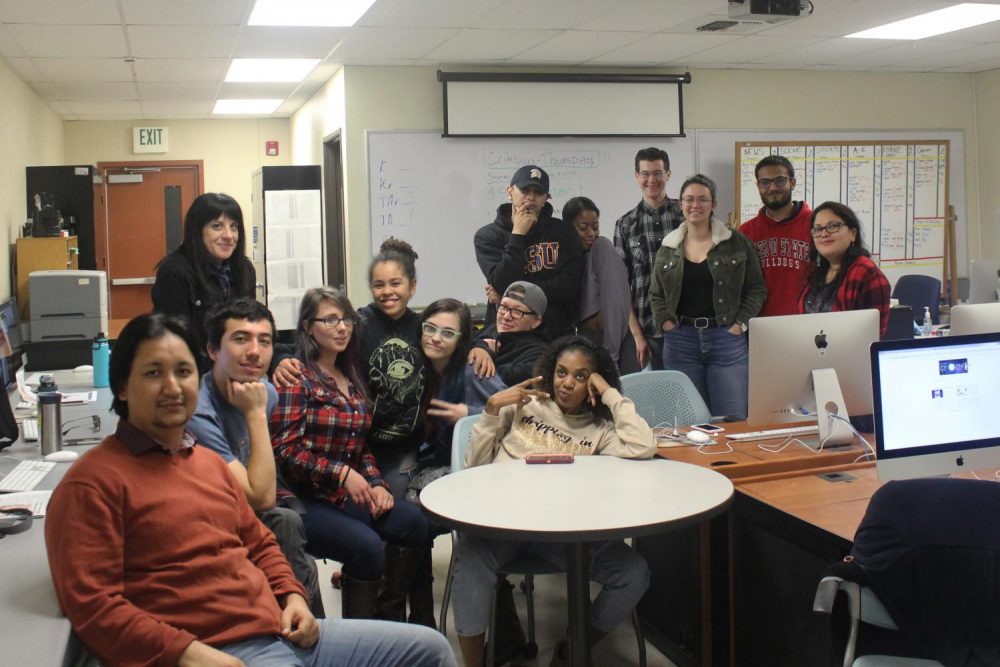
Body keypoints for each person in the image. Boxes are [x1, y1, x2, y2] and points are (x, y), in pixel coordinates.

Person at [44, 313, 455, 667]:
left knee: (430, 650)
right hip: (218, 652)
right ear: (121, 387)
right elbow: (92, 606)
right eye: (153, 373)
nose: (172, 387)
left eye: (183, 372)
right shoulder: (91, 484)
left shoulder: (205, 462)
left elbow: (259, 542)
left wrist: (293, 596)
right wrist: (185, 652)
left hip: (280, 632)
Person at [451, 335, 656, 667]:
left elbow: (642, 445)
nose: (567, 384)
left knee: (633, 572)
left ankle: (575, 647)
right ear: (550, 372)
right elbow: (473, 469)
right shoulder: (522, 405)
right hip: (503, 525)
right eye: (562, 372)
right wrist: (490, 411)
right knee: (471, 557)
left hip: (564, 537)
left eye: (580, 376)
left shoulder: (599, 430)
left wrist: (609, 392)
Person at [270, 287, 430, 622]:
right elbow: (284, 451)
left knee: (414, 523)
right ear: (307, 327)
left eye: (346, 319)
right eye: (330, 319)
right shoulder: (297, 377)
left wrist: (377, 484)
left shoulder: (352, 376)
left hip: (344, 495)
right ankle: (358, 638)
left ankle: (388, 623)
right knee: (368, 546)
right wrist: (341, 474)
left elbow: (361, 446)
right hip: (306, 498)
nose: (342, 327)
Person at [187, 298, 323, 618]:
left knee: (296, 551)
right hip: (205, 518)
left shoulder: (264, 392)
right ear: (212, 351)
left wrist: (256, 410)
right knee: (285, 526)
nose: (255, 351)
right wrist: (255, 414)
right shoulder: (198, 409)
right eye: (240, 339)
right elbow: (260, 498)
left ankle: (308, 629)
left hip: (242, 510)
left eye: (264, 341)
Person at [649, 174, 766, 419]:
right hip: (681, 342)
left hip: (726, 340)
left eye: (703, 199)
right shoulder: (668, 246)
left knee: (733, 418)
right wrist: (666, 323)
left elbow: (756, 288)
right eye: (689, 199)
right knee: (690, 421)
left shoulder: (736, 242)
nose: (695, 205)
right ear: (680, 204)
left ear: (713, 204)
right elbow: (656, 294)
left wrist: (739, 324)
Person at [474, 164, 583, 338]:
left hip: (555, 332)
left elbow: (568, 286)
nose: (531, 197)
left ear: (547, 197)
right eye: (525, 190)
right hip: (506, 333)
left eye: (538, 193)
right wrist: (517, 235)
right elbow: (502, 282)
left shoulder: (563, 232)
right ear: (510, 190)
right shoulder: (487, 236)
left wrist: (511, 294)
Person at [151, 192, 256, 368]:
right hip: (194, 373)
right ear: (197, 231)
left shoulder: (244, 269)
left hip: (239, 369)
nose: (229, 235)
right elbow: (175, 341)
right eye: (217, 226)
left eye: (234, 226)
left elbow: (253, 324)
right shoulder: (174, 272)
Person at [614, 147, 685, 370]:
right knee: (654, 401)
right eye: (645, 173)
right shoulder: (625, 224)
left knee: (688, 398)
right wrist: (636, 335)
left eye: (657, 173)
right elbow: (620, 287)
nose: (651, 180)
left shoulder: (686, 216)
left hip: (686, 329)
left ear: (668, 174)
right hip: (647, 331)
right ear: (637, 176)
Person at [565, 196, 640, 374]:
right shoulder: (568, 259)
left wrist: (610, 354)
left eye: (595, 226)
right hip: (587, 341)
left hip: (613, 341)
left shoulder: (601, 247)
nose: (591, 233)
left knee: (623, 399)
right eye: (583, 228)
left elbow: (616, 301)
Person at [798, 201, 891, 335]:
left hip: (852, 355)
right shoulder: (816, 271)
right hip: (814, 352)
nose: (824, 234)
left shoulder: (865, 272)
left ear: (852, 234)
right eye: (817, 229)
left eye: (833, 226)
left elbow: (872, 335)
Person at [739, 155, 813, 316]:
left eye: (779, 180)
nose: (772, 188)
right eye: (765, 182)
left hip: (808, 322)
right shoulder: (745, 232)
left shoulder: (816, 225)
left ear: (792, 182)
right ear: (758, 186)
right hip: (760, 324)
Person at [465, 281, 551, 413]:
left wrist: (488, 354)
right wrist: (481, 347)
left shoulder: (541, 355)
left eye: (517, 311)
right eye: (503, 307)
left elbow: (503, 379)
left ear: (535, 321)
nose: (506, 316)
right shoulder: (491, 331)